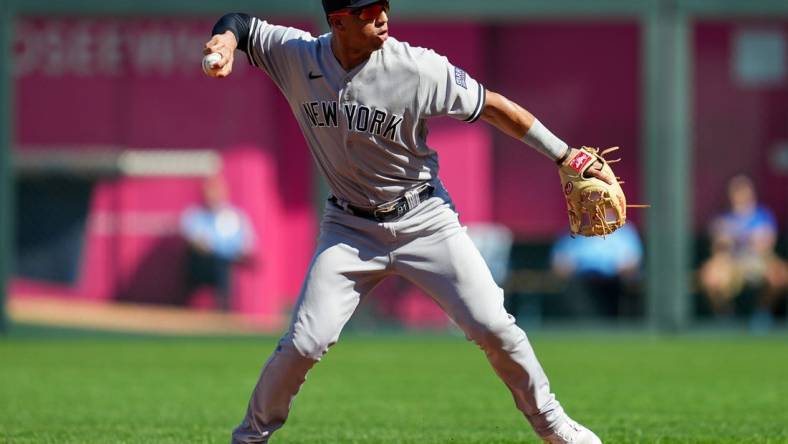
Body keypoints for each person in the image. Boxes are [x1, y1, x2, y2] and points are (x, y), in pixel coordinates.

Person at [203, 1, 614, 442]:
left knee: (494, 326)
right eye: (367, 10)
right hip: (348, 229)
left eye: (383, 5)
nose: (382, 16)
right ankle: (249, 437)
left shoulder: (417, 68)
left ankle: (553, 424)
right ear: (338, 21)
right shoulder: (296, 54)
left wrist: (565, 154)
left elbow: (493, 107)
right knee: (303, 343)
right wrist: (226, 40)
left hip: (424, 219)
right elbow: (242, 24)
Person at [699, 175, 787, 328]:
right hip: (731, 263)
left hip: (757, 262)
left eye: (742, 192)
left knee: (779, 275)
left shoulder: (762, 215)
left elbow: (765, 246)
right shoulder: (723, 218)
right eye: (735, 192)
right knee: (710, 277)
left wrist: (745, 239)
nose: (739, 196)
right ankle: (725, 316)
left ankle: (762, 314)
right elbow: (718, 249)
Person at [180, 175, 255, 311]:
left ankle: (225, 312)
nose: (213, 195)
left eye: (216, 191)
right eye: (209, 191)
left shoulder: (234, 216)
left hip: (225, 264)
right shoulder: (194, 215)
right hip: (201, 263)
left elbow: (245, 244)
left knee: (223, 266)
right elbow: (196, 242)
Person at [550, 223, 644, 318]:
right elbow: (558, 263)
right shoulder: (573, 230)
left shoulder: (624, 231)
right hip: (581, 281)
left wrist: (623, 268)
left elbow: (633, 261)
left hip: (613, 281)